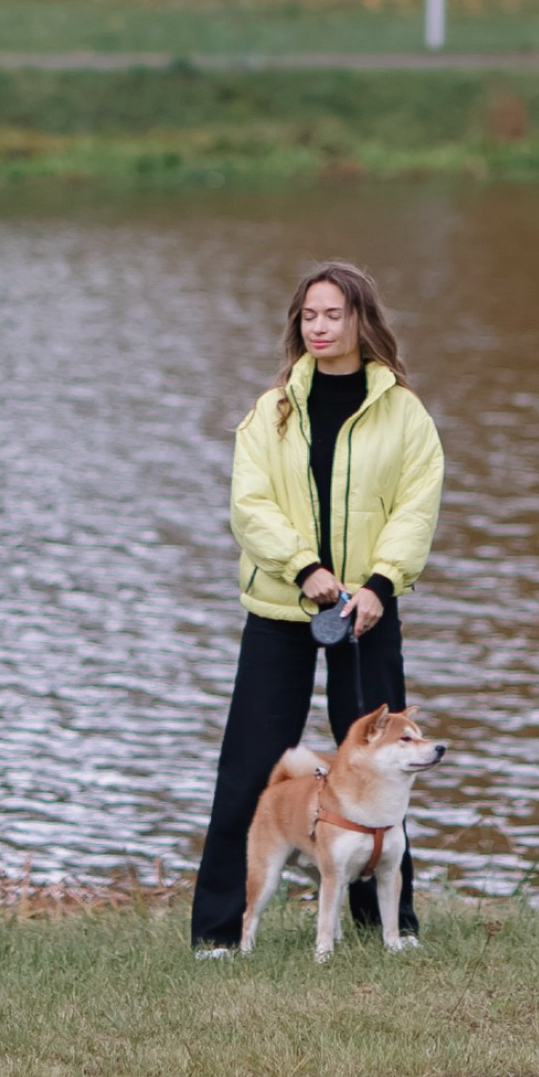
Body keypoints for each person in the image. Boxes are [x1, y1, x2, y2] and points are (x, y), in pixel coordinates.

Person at [190, 257, 445, 954]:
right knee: (249, 766)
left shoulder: (405, 414)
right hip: (281, 610)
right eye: (310, 315)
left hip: (368, 612)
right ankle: (218, 932)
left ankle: (390, 928)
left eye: (335, 314)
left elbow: (416, 510)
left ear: (363, 321)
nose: (321, 327)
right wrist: (304, 569)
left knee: (382, 764)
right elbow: (250, 506)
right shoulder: (270, 414)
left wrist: (379, 586)